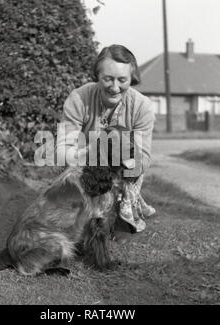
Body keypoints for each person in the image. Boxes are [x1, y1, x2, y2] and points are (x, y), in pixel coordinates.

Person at [56, 44, 156, 233]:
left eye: (122, 80)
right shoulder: (78, 98)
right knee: (70, 224)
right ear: (97, 76)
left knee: (115, 228)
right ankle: (79, 210)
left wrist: (119, 160)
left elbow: (142, 159)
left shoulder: (143, 107)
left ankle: (121, 211)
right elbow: (61, 152)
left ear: (131, 79)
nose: (115, 87)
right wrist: (95, 154)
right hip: (84, 168)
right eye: (108, 79)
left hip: (120, 171)